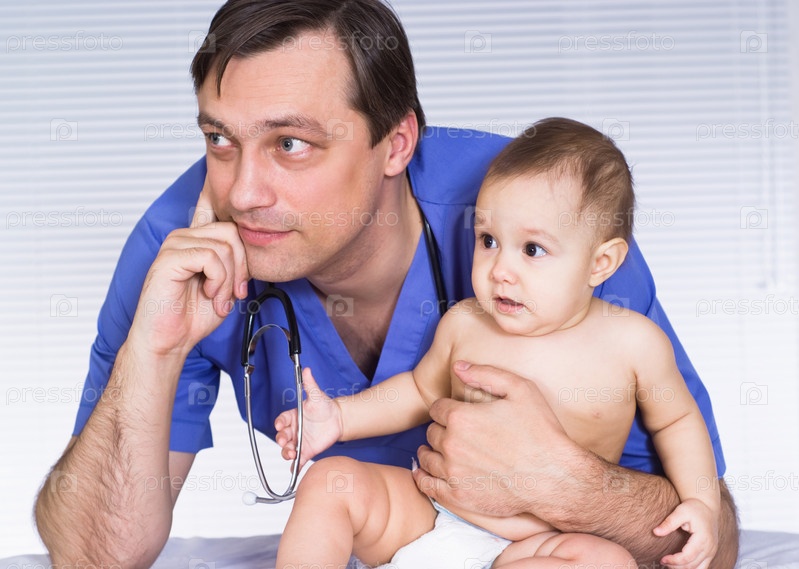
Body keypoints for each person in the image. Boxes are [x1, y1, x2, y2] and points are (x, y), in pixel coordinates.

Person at [32, 1, 738, 568]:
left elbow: (707, 539)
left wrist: (572, 487)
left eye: (290, 143)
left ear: (395, 144)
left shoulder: (541, 215)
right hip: (398, 514)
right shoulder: (179, 250)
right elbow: (94, 557)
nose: (242, 193)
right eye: (220, 139)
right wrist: (153, 353)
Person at [273, 118, 720, 569]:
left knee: (607, 562)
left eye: (532, 250)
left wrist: (702, 504)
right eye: (488, 240)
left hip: (539, 543)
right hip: (431, 514)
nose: (500, 270)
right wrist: (340, 417)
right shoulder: (465, 322)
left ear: (600, 263)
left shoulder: (633, 343)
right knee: (330, 481)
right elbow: (419, 391)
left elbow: (678, 421)